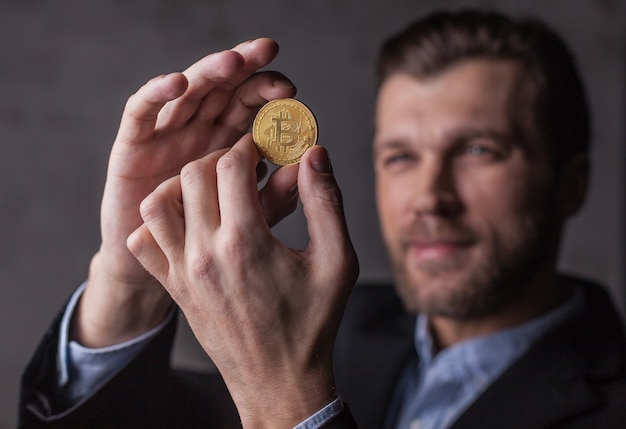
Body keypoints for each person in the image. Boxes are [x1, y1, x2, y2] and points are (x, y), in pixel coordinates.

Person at [19, 9, 626, 429]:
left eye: (478, 151)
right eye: (401, 156)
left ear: (571, 184)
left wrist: (286, 395)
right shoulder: (343, 324)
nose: (429, 196)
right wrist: (129, 284)